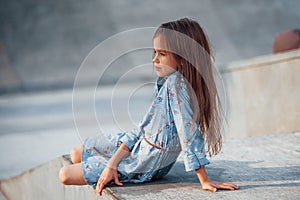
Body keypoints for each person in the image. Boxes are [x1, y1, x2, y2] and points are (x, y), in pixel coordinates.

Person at [59, 18, 239, 196]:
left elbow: (188, 134)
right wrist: (114, 160)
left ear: (183, 59)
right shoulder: (169, 82)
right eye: (154, 52)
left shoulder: (178, 87)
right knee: (76, 153)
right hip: (139, 144)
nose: (154, 59)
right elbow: (143, 127)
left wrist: (204, 180)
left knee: (65, 175)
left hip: (142, 162)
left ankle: (108, 164)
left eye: (162, 54)